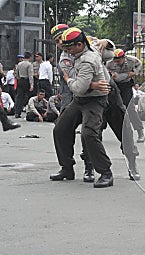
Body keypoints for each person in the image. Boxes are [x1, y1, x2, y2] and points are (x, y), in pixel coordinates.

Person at [50, 27, 113, 188]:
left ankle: (105, 172)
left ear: (79, 44)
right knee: (60, 128)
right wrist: (93, 83)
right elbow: (81, 86)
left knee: (88, 134)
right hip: (79, 99)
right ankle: (67, 168)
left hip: (94, 100)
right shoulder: (72, 54)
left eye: (69, 47)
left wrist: (106, 43)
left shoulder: (88, 58)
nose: (66, 50)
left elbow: (78, 86)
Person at [106, 49, 145, 143]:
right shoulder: (109, 63)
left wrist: (134, 72)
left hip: (126, 85)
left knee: (129, 109)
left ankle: (140, 132)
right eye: (115, 60)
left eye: (119, 60)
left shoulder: (132, 60)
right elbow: (105, 71)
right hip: (114, 85)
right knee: (108, 107)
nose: (117, 63)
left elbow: (139, 64)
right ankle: (99, 132)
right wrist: (111, 75)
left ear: (124, 58)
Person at [14, 51, 34, 118]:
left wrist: (19, 78)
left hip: (20, 81)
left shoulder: (19, 64)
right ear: (30, 57)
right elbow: (30, 75)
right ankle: (28, 111)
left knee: (19, 97)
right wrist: (31, 84)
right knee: (28, 96)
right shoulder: (29, 64)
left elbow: (17, 74)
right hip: (26, 80)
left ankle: (17, 112)